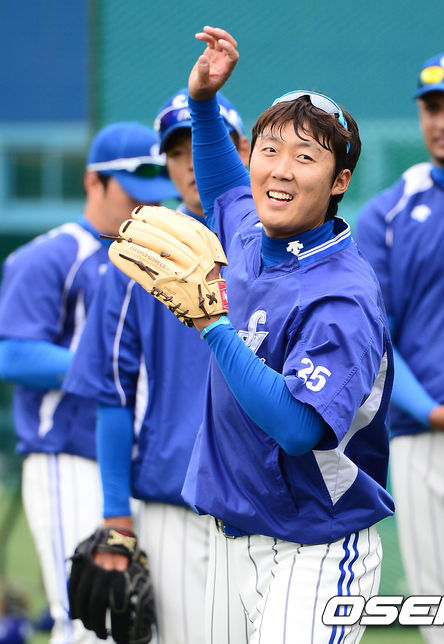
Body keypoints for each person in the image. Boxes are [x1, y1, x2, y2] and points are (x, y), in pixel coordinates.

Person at [127, 26, 393, 644]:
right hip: (233, 539)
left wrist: (212, 326)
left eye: (305, 157)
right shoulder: (250, 232)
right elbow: (223, 186)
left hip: (318, 549)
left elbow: (298, 429)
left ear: (339, 181)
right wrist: (202, 103)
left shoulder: (343, 295)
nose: (280, 170)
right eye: (269, 150)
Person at [62, 89, 250, 643]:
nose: (192, 162)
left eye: (207, 142)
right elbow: (112, 394)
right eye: (177, 150)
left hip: (267, 506)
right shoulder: (135, 259)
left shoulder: (275, 248)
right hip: (175, 504)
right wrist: (116, 520)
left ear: (240, 149)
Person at [0, 122, 172, 644]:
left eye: (153, 191)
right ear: (92, 182)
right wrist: (105, 365)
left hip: (138, 460)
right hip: (68, 455)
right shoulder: (52, 255)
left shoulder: (158, 261)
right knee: (89, 619)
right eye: (131, 191)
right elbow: (11, 353)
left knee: (142, 621)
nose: (145, 204)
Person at [355, 50, 444, 643]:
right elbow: (374, 336)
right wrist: (430, 410)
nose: (442, 121)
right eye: (431, 107)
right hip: (419, 438)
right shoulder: (387, 213)